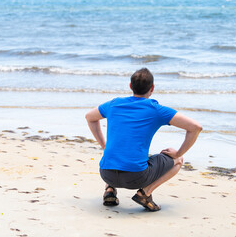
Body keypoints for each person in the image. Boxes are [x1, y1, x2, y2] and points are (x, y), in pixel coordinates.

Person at [85, 68, 202, 211]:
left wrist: (104, 145)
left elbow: (89, 117)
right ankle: (145, 193)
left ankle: (110, 189)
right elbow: (196, 127)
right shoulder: (156, 109)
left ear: (130, 86)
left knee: (118, 149)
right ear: (152, 88)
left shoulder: (114, 104)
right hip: (136, 177)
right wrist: (177, 153)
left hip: (106, 174)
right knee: (178, 160)